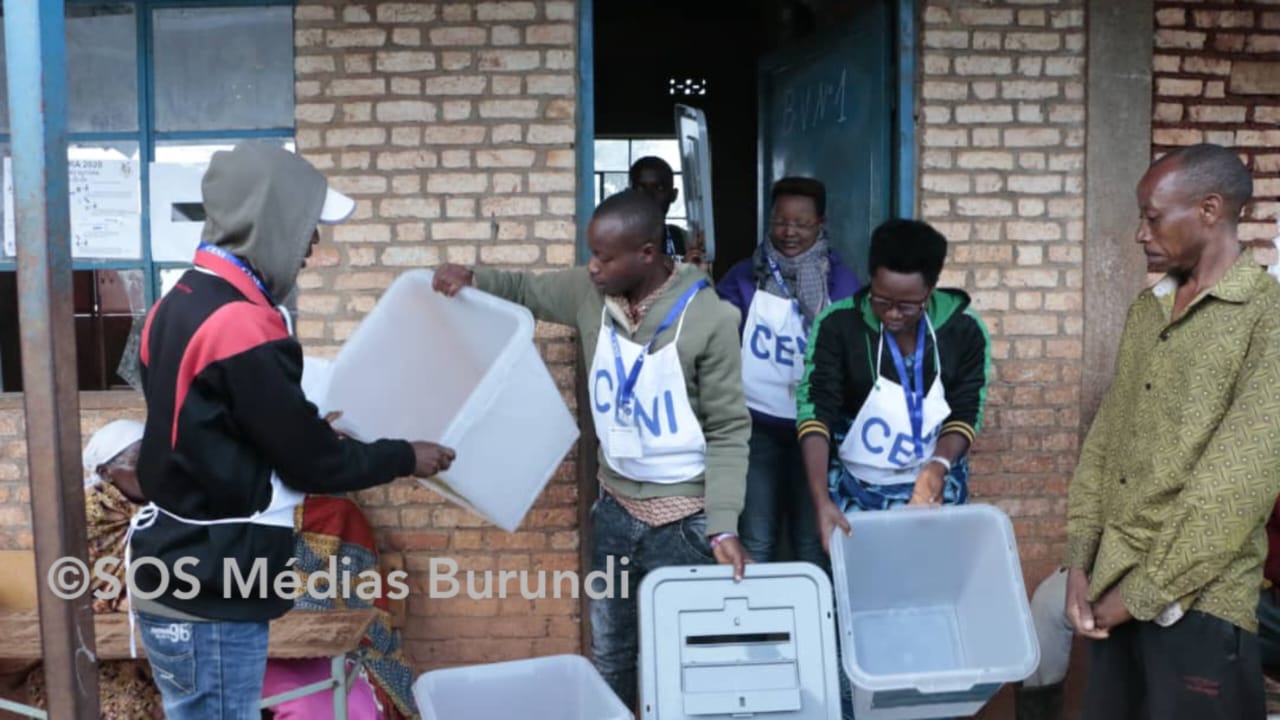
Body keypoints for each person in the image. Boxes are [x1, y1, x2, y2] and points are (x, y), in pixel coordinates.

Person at [129, 141, 455, 720]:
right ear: (271, 221)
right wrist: (408, 454)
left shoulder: (175, 302)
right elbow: (314, 468)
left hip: (170, 573)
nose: (312, 246)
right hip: (215, 588)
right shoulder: (246, 324)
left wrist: (292, 425)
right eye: (307, 226)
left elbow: (207, 428)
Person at [432, 189, 750, 710]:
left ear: (647, 253)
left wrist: (723, 523)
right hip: (617, 512)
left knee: (689, 657)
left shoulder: (709, 319)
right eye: (591, 254)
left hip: (688, 521)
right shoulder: (587, 294)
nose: (593, 267)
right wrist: (471, 277)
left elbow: (729, 431)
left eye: (605, 257)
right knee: (611, 652)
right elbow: (524, 289)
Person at [1065, 143, 1280, 719]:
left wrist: (1138, 597)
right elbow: (1105, 444)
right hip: (1114, 586)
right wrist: (1081, 565)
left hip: (1200, 605)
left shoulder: (1267, 316)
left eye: (1153, 216)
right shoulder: (1149, 309)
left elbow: (1236, 487)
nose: (1140, 233)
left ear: (1210, 209)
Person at [797, 218, 991, 548]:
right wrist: (821, 501)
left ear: (930, 291)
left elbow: (967, 408)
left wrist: (940, 464)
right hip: (856, 487)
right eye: (881, 300)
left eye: (907, 305)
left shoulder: (964, 330)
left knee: (929, 582)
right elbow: (816, 410)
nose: (893, 314)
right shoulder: (839, 325)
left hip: (932, 483)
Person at [716, 177, 859, 566]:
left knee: (812, 542)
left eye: (801, 223)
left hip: (818, 429)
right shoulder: (744, 276)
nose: (789, 232)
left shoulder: (841, 283)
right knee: (757, 540)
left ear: (820, 223)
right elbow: (716, 334)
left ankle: (812, 626)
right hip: (757, 426)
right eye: (780, 221)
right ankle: (757, 627)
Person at [628, 156, 699, 263]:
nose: (649, 196)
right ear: (630, 194)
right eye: (641, 188)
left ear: (673, 195)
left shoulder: (685, 241)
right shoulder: (613, 242)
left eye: (659, 188)